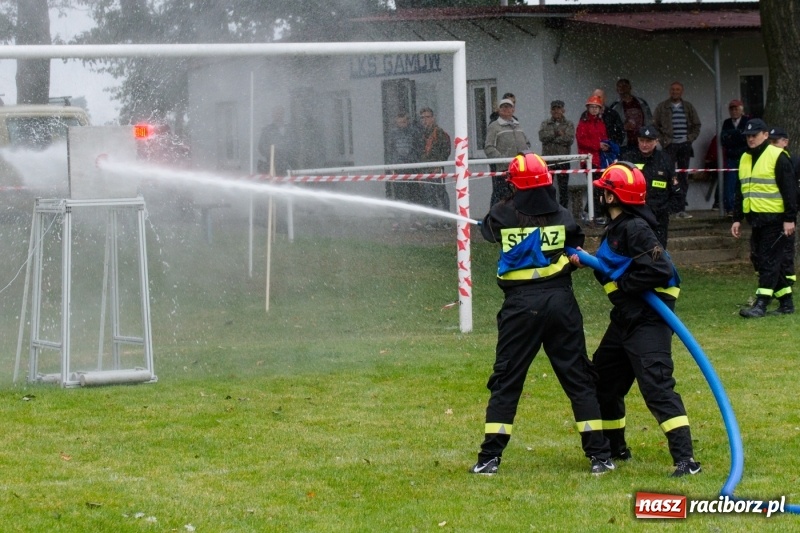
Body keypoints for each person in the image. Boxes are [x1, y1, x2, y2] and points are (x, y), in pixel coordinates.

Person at [470, 152, 615, 476]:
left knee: (507, 380)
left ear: (516, 186)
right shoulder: (562, 215)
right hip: (561, 304)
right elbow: (575, 242)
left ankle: (489, 458)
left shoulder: (502, 213)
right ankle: (600, 456)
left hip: (521, 307)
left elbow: (488, 231)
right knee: (578, 378)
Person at [570, 162, 702, 478]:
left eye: (604, 190)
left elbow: (661, 270)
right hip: (625, 319)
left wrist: (625, 286)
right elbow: (613, 266)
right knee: (605, 382)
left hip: (648, 319)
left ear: (613, 197)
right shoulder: (617, 229)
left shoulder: (635, 229)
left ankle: (686, 461)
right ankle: (616, 448)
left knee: (656, 385)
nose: (599, 195)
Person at [732, 119, 797, 317]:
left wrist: (789, 218)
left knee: (768, 261)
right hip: (757, 219)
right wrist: (737, 218)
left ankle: (761, 303)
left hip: (775, 219)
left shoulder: (778, 157)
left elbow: (790, 191)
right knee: (759, 259)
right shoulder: (744, 158)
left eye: (755, 135)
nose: (751, 139)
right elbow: (741, 190)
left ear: (765, 135)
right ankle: (786, 302)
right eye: (748, 136)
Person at [621, 125, 677, 248]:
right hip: (635, 213)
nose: (644, 144)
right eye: (642, 141)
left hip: (659, 215)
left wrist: (667, 209)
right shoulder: (628, 159)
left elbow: (675, 188)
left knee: (659, 250)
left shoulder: (665, 160)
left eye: (648, 141)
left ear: (656, 141)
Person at [652, 81, 702, 219]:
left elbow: (697, 125)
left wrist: (689, 138)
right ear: (670, 91)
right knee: (667, 176)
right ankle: (668, 208)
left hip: (685, 146)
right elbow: (655, 125)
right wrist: (664, 141)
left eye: (678, 90)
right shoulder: (662, 107)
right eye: (673, 89)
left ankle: (681, 208)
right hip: (669, 146)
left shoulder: (688, 107)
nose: (675, 92)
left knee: (683, 177)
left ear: (682, 91)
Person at [769, 126, 800, 312]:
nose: (773, 145)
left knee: (785, 251)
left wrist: (791, 214)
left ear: (785, 142)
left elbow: (792, 189)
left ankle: (786, 287)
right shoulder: (772, 160)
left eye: (776, 142)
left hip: (788, 212)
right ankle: (779, 288)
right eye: (770, 142)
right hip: (774, 213)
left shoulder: (791, 160)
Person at [576, 94, 618, 224]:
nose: (594, 109)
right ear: (588, 108)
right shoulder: (583, 123)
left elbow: (603, 137)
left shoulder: (600, 123)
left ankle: (591, 212)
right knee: (597, 187)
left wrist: (606, 145)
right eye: (592, 107)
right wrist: (597, 145)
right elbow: (581, 140)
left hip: (599, 159)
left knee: (599, 187)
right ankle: (592, 213)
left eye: (596, 107)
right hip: (590, 160)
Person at [484, 98, 531, 208]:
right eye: (503, 106)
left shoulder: (518, 125)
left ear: (513, 109)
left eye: (508, 106)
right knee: (503, 198)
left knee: (520, 197)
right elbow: (489, 147)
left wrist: (526, 159)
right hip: (504, 170)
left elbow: (527, 143)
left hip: (520, 169)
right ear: (499, 110)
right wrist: (502, 160)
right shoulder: (494, 126)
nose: (506, 109)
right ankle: (496, 221)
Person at [538, 99, 575, 209]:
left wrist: (552, 138)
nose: (556, 111)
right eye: (554, 109)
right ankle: (548, 209)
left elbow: (569, 139)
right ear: (550, 110)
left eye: (558, 108)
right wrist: (556, 134)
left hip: (563, 160)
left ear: (563, 110)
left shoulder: (569, 124)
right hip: (549, 161)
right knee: (547, 187)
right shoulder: (545, 123)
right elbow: (542, 137)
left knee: (563, 188)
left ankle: (563, 210)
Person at [417, 107, 452, 210]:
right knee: (428, 194)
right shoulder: (421, 134)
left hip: (436, 168)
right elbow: (418, 152)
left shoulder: (439, 133)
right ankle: (433, 220)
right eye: (422, 118)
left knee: (440, 193)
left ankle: (445, 219)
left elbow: (446, 150)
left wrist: (439, 164)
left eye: (427, 117)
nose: (425, 120)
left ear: (433, 118)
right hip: (425, 168)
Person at [719, 100, 750, 215]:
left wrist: (733, 135)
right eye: (731, 109)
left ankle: (744, 207)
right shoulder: (727, 122)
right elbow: (724, 139)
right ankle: (730, 208)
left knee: (744, 182)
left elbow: (746, 138)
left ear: (741, 110)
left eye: (736, 109)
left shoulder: (747, 121)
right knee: (730, 183)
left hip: (744, 157)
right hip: (731, 157)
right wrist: (738, 134)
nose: (734, 111)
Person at [386, 112, 421, 203]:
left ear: (408, 121)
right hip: (398, 166)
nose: (402, 125)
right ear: (396, 122)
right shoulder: (393, 134)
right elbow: (390, 150)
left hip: (411, 166)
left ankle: (413, 210)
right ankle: (400, 211)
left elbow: (418, 148)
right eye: (400, 122)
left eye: (404, 122)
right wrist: (392, 165)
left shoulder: (414, 132)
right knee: (399, 190)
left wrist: (416, 163)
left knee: (412, 190)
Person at [609, 79, 653, 148]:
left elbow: (649, 121)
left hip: (642, 142)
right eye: (619, 86)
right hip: (624, 143)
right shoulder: (614, 106)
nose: (622, 88)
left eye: (624, 85)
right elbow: (610, 126)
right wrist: (623, 128)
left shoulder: (641, 103)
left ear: (630, 87)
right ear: (617, 89)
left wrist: (649, 136)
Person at [258, 106, 295, 175]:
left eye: (280, 113)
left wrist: (289, 153)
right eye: (276, 113)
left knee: (288, 184)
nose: (278, 115)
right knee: (275, 183)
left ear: (283, 114)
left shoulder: (290, 129)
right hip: (273, 165)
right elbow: (261, 147)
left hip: (289, 163)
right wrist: (273, 153)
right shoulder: (267, 130)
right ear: (273, 115)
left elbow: (294, 144)